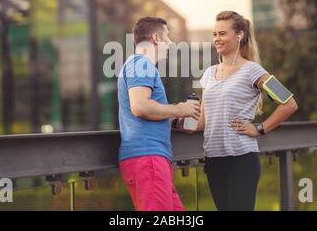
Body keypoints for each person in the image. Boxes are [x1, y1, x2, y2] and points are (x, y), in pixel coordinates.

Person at [193, 11, 298, 211]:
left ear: (239, 35)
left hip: (241, 160)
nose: (217, 39)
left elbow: (290, 103)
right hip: (213, 160)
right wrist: (169, 116)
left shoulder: (253, 71)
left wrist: (259, 129)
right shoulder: (209, 74)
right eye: (215, 34)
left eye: (222, 33)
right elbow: (202, 122)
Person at [117, 16, 201, 211]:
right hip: (148, 159)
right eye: (167, 37)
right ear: (156, 38)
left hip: (152, 160)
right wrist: (181, 109)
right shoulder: (141, 64)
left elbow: (143, 110)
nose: (170, 43)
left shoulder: (137, 65)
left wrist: (174, 120)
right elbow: (140, 107)